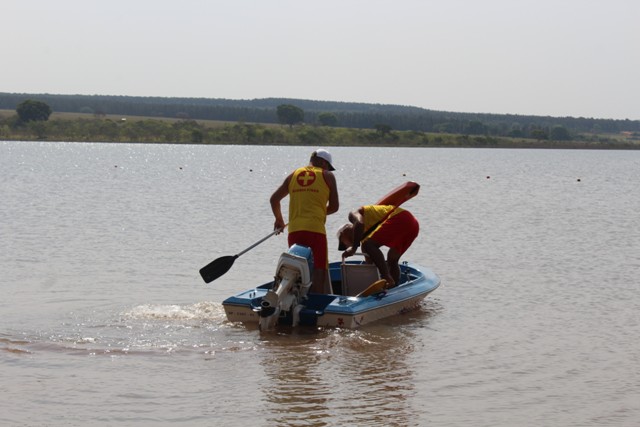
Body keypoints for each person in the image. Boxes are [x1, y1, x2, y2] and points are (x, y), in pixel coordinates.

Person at [270, 149, 339, 293]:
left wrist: (279, 220)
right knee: (319, 268)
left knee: (297, 268)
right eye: (327, 165)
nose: (327, 169)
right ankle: (316, 302)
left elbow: (274, 199)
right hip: (315, 230)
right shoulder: (328, 175)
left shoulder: (293, 175)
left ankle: (293, 299)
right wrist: (318, 211)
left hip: (294, 230)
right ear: (323, 162)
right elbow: (334, 207)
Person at [337, 205, 419, 288]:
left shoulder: (353, 214)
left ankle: (386, 277)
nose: (346, 246)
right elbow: (371, 263)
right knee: (392, 260)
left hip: (401, 217)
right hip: (413, 225)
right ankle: (394, 288)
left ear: (343, 233)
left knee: (369, 244)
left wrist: (354, 248)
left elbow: (359, 223)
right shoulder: (365, 238)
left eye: (343, 243)